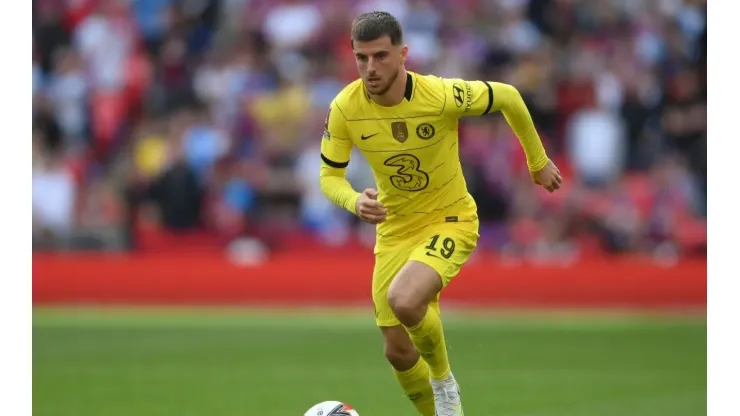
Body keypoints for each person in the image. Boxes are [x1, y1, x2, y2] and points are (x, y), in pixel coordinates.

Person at [318, 11, 563, 416]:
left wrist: (537, 163)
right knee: (396, 352)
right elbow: (329, 176)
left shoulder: (440, 95)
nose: (370, 68)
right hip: (395, 230)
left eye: (380, 56)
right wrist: (353, 201)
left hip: (450, 219)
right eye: (361, 58)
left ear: (403, 54)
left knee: (405, 299)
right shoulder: (346, 107)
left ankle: (444, 382)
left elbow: (508, 97)